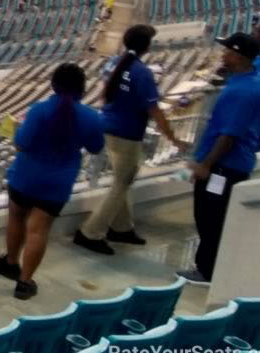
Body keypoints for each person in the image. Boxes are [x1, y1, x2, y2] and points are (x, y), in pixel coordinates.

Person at [0, 63, 104, 300]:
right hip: (57, 184)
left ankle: (10, 262)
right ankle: (25, 282)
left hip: (25, 177)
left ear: (53, 85)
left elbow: (21, 143)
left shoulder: (38, 110)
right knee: (38, 231)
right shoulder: (92, 117)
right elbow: (96, 147)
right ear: (82, 89)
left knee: (16, 217)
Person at [76, 26, 186, 254]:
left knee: (122, 179)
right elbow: (154, 109)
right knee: (121, 183)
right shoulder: (142, 73)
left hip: (107, 127)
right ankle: (90, 232)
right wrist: (173, 138)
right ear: (146, 47)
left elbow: (107, 93)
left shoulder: (112, 63)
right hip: (127, 135)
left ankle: (122, 228)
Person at [181, 33, 260, 286]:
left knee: (210, 217)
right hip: (229, 165)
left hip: (223, 167)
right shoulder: (252, 78)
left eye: (228, 52)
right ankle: (210, 266)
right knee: (213, 217)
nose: (223, 55)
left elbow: (228, 136)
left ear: (239, 56)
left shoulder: (243, 91)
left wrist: (205, 165)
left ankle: (207, 271)